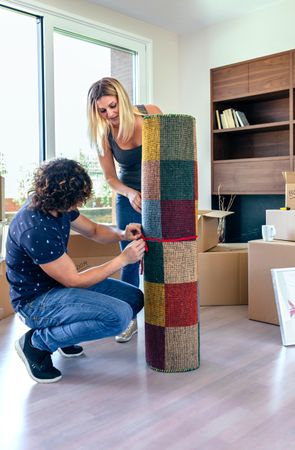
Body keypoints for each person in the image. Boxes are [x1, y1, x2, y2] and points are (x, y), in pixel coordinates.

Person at [5, 158, 145, 383]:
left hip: (57, 287)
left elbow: (95, 230)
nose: (77, 205)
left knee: (133, 299)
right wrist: (122, 259)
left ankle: (61, 336)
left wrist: (122, 234)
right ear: (62, 198)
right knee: (119, 317)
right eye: (75, 201)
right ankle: (37, 344)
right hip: (36, 302)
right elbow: (74, 280)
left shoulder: (56, 206)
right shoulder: (35, 227)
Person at [87, 77, 162, 343]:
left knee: (163, 254)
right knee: (130, 256)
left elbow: (172, 150)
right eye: (102, 111)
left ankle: (164, 313)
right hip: (129, 195)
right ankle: (130, 318)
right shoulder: (104, 135)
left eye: (113, 105)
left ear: (122, 98)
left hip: (160, 193)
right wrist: (130, 193)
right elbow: (110, 178)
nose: (110, 114)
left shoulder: (151, 113)